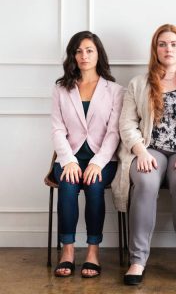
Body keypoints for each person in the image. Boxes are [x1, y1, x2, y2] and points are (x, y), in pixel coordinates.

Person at [112, 24, 176, 286]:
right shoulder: (138, 83)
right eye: (162, 44)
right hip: (150, 150)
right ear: (155, 49)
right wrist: (140, 151)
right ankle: (137, 260)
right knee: (145, 184)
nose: (168, 49)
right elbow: (127, 124)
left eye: (173, 44)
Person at [51, 31, 124, 277]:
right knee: (68, 185)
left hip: (103, 158)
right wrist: (69, 160)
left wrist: (97, 163)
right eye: (78, 51)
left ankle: (93, 251)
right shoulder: (61, 89)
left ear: (98, 54)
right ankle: (68, 251)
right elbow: (57, 129)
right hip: (69, 156)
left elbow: (114, 133)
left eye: (89, 50)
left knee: (94, 186)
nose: (84, 56)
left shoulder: (115, 90)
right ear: (73, 55)